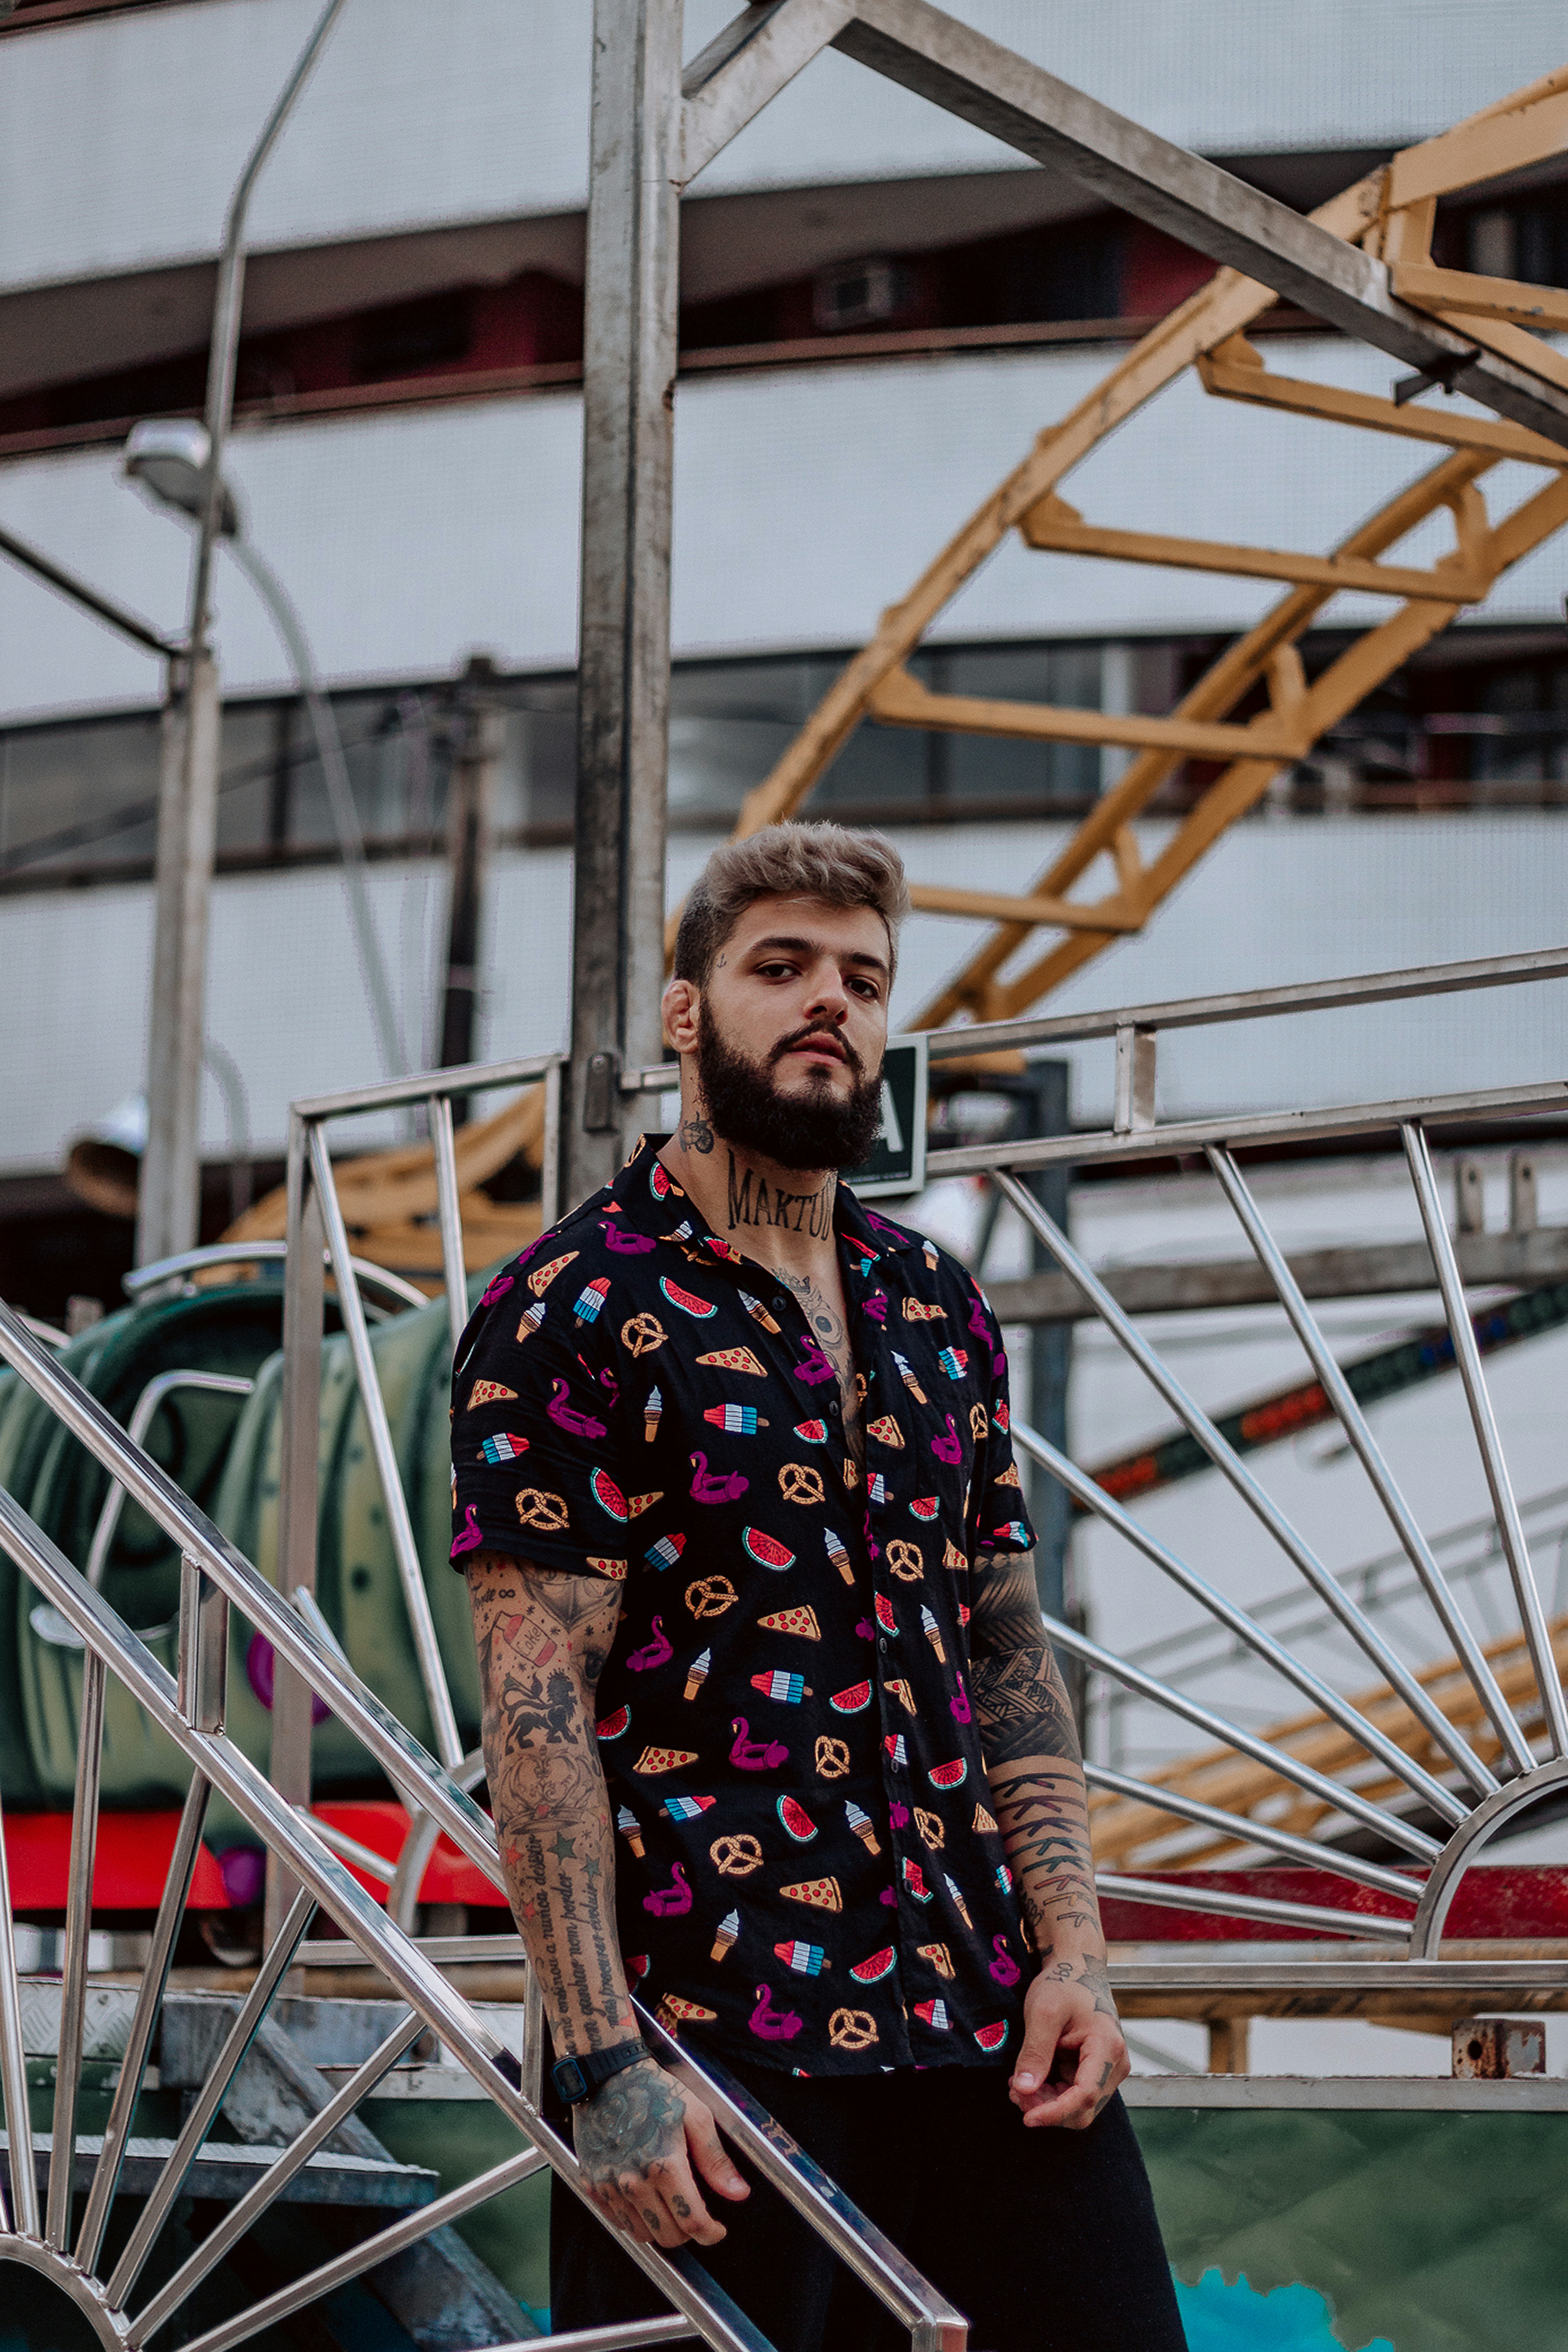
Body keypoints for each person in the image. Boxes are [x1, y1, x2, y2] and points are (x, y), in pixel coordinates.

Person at [451, 823, 1183, 2351]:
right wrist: (598, 2067)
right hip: (721, 2047)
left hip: (985, 2016)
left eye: (861, 976)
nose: (827, 1004)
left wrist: (1079, 1961)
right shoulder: (573, 1306)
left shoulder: (936, 1303)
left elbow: (1004, 1652)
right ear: (686, 1011)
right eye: (779, 968)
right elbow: (536, 1702)